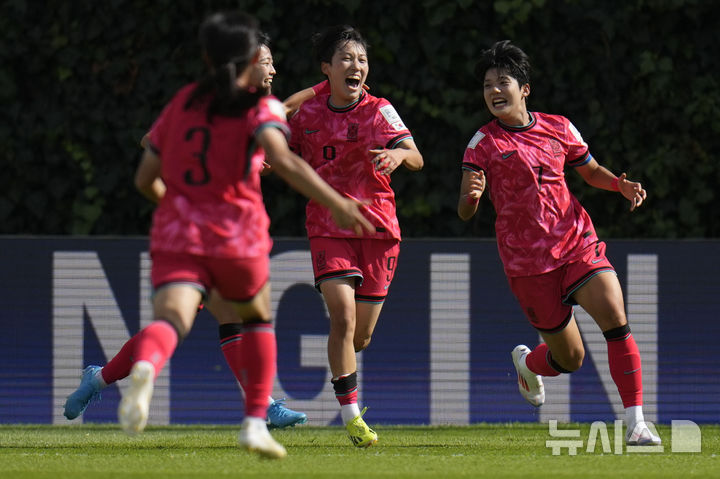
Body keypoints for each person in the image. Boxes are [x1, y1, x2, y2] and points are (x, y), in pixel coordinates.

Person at [62, 11, 374, 459]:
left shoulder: (187, 100)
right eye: (265, 61)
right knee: (253, 319)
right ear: (246, 61)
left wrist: (178, 203)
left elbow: (147, 168)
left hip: (178, 236)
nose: (273, 69)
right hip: (232, 238)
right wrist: (336, 202)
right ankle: (254, 415)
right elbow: (286, 160)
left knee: (178, 321)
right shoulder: (257, 109)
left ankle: (129, 372)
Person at [457, 40, 660, 446]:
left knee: (616, 320)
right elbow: (464, 210)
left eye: (503, 82)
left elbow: (590, 171)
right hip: (527, 265)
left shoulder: (560, 127)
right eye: (487, 86)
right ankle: (527, 364)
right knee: (571, 358)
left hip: (576, 244)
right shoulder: (482, 143)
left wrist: (618, 184)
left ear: (524, 89)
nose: (495, 91)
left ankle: (636, 422)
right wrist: (472, 197)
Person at [287, 25, 423, 448]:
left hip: (378, 229)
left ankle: (346, 380)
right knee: (342, 318)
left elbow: (416, 157)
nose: (357, 65)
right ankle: (351, 417)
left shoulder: (380, 109)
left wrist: (397, 155)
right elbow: (276, 131)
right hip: (328, 227)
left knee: (359, 336)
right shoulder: (307, 115)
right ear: (325, 68)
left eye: (362, 59)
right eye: (346, 58)